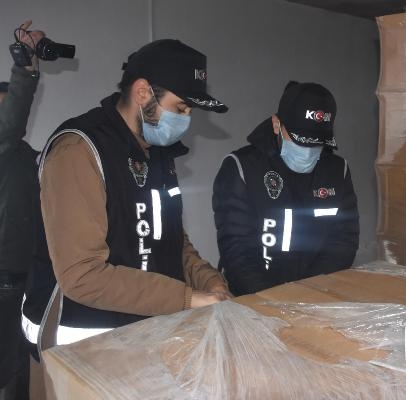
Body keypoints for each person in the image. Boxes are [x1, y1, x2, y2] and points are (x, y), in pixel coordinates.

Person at [21, 39, 232, 398]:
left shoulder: (158, 153)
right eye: (180, 108)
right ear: (142, 92)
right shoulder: (78, 150)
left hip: (142, 341)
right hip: (80, 350)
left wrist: (211, 283)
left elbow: (172, 242)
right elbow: (83, 276)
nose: (186, 119)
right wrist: (188, 299)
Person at [213, 81, 359, 296]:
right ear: (276, 125)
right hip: (252, 298)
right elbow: (237, 250)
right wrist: (274, 300)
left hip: (316, 296)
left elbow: (343, 241)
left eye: (316, 143)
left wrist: (311, 292)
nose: (308, 150)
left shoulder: (337, 171)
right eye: (300, 140)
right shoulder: (242, 168)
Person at [0, 20, 45, 400]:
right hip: (3, 278)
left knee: (19, 360)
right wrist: (25, 67)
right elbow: (11, 122)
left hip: (28, 275)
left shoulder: (30, 157)